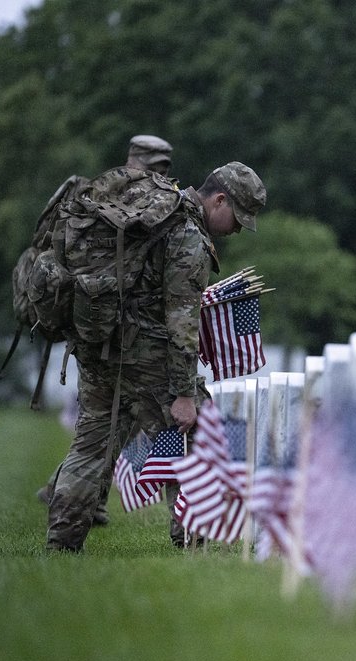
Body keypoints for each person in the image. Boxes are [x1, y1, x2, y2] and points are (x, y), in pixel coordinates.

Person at [45, 161, 266, 552]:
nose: (235, 229)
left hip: (100, 345)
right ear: (219, 200)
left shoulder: (153, 213)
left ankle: (61, 544)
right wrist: (183, 394)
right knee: (202, 431)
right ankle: (193, 537)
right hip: (146, 358)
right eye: (237, 217)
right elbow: (182, 323)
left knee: (91, 446)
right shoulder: (188, 238)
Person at [36, 134, 174, 525]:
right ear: (156, 167)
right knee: (157, 424)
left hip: (88, 328)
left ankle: (69, 513)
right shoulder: (155, 204)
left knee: (100, 429)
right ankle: (190, 528)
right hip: (135, 339)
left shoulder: (92, 196)